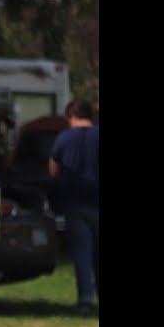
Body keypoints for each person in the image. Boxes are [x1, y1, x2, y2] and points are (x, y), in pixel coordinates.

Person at [49, 100, 99, 314]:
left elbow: (53, 168)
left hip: (75, 202)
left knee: (82, 253)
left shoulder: (64, 138)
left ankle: (85, 300)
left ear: (71, 116)